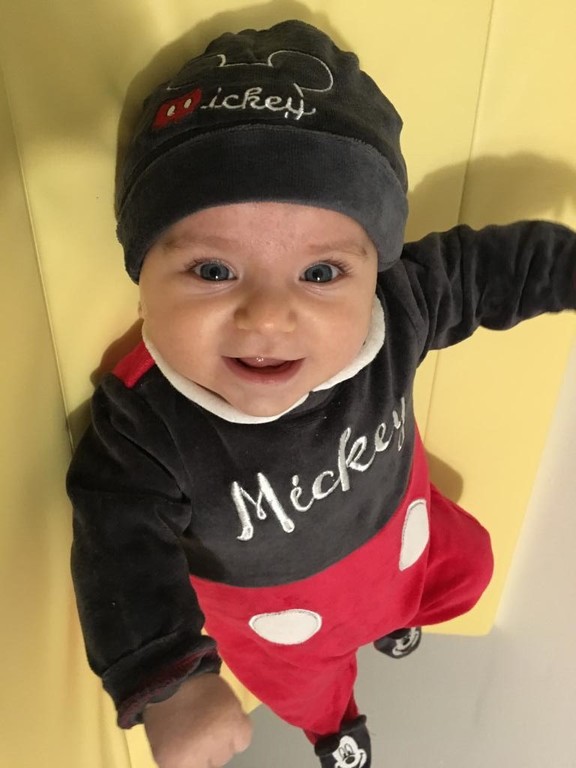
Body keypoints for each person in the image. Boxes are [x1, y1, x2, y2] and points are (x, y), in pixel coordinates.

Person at [66, 19, 576, 768]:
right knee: (308, 683)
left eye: (321, 273)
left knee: (464, 568)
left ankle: (396, 617)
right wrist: (170, 683)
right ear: (141, 274)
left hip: (399, 535)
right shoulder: (145, 424)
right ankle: (333, 727)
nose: (269, 317)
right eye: (213, 271)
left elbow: (496, 270)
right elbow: (118, 549)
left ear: (375, 271)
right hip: (281, 619)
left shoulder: (398, 309)